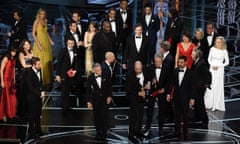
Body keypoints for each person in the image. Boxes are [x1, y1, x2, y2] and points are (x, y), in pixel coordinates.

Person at [166, 56, 194, 140]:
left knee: (185, 116)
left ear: (186, 62)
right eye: (179, 62)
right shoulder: (175, 71)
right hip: (176, 97)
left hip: (186, 98)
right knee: (177, 116)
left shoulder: (190, 73)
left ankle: (185, 132)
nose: (179, 64)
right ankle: (177, 132)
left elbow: (192, 87)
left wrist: (192, 98)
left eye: (181, 62)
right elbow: (172, 83)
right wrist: (168, 93)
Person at [144, 53, 171, 137]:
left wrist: (165, 90)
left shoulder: (167, 68)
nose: (157, 63)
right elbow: (147, 79)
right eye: (156, 62)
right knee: (150, 109)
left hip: (162, 91)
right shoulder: (150, 68)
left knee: (162, 110)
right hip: (153, 91)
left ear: (162, 61)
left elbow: (169, 81)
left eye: (159, 62)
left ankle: (161, 128)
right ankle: (147, 127)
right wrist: (151, 82)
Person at [86, 63, 112, 141]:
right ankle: (98, 133)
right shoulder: (90, 78)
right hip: (96, 100)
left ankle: (104, 134)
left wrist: (110, 96)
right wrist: (88, 101)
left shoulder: (106, 75)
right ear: (94, 71)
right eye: (97, 70)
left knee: (104, 116)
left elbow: (110, 86)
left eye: (100, 70)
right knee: (97, 117)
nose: (99, 71)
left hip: (105, 99)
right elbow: (88, 90)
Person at [204, 36, 229, 111]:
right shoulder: (212, 49)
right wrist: (212, 65)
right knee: (211, 85)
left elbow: (227, 62)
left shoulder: (224, 51)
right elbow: (209, 59)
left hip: (220, 70)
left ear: (222, 43)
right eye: (216, 42)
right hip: (212, 69)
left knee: (217, 86)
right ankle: (209, 103)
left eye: (219, 42)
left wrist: (219, 66)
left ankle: (216, 105)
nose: (217, 43)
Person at [55, 37, 79, 113]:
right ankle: (64, 107)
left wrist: (75, 70)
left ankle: (67, 106)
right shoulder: (63, 51)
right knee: (64, 91)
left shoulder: (75, 51)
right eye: (69, 43)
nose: (71, 45)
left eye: (72, 43)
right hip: (63, 74)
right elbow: (58, 63)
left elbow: (76, 62)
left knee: (68, 90)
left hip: (71, 73)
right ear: (66, 43)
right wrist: (58, 74)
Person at [126, 61, 147, 143]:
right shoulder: (129, 75)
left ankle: (138, 131)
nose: (138, 70)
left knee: (141, 116)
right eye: (136, 69)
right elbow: (128, 90)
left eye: (139, 69)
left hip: (142, 99)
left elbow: (146, 81)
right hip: (133, 98)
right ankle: (131, 135)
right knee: (133, 117)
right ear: (134, 68)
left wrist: (147, 85)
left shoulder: (145, 72)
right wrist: (137, 93)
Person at [32, 8, 54, 87]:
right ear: (39, 14)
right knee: (41, 60)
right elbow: (33, 34)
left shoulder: (46, 21)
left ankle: (48, 80)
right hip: (39, 42)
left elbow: (46, 32)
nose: (42, 15)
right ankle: (41, 80)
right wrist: (38, 44)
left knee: (47, 60)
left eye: (44, 14)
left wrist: (50, 40)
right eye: (41, 14)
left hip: (46, 43)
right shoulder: (36, 21)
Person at [191, 49, 211, 129]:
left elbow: (207, 75)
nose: (191, 56)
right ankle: (197, 117)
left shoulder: (202, 64)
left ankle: (205, 120)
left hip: (200, 87)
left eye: (192, 54)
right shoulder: (195, 62)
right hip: (196, 86)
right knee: (196, 103)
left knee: (200, 103)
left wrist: (205, 84)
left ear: (197, 55)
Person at [25, 57, 44, 139]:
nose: (40, 65)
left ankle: (38, 130)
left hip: (38, 97)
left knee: (38, 114)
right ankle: (32, 132)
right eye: (38, 64)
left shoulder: (39, 70)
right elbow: (30, 87)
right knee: (32, 116)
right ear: (33, 65)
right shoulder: (29, 73)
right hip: (32, 97)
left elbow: (41, 82)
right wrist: (39, 93)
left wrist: (42, 90)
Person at [16, 39, 33, 118]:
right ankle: (22, 112)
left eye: (28, 44)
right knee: (23, 94)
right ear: (23, 46)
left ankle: (28, 110)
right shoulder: (21, 53)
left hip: (30, 74)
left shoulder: (31, 52)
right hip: (23, 75)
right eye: (25, 45)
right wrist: (33, 66)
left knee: (29, 94)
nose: (27, 46)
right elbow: (24, 65)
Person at [0, 48, 17, 122]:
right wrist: (2, 81)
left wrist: (14, 80)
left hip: (11, 81)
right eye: (13, 51)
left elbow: (13, 70)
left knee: (12, 99)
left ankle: (11, 114)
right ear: (10, 51)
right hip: (6, 80)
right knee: (5, 98)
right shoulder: (6, 58)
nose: (14, 53)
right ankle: (3, 114)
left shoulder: (14, 59)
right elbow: (1, 70)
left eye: (15, 52)